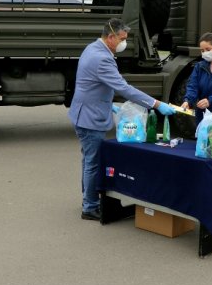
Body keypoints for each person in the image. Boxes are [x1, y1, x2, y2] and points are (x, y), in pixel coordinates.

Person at [68, 18, 176, 221]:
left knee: (88, 161)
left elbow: (89, 84)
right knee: (93, 163)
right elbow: (124, 88)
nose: (124, 43)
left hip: (84, 112)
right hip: (91, 119)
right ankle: (90, 207)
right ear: (110, 37)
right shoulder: (102, 58)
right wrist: (156, 104)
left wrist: (108, 104)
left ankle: (88, 200)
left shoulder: (92, 48)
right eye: (122, 39)